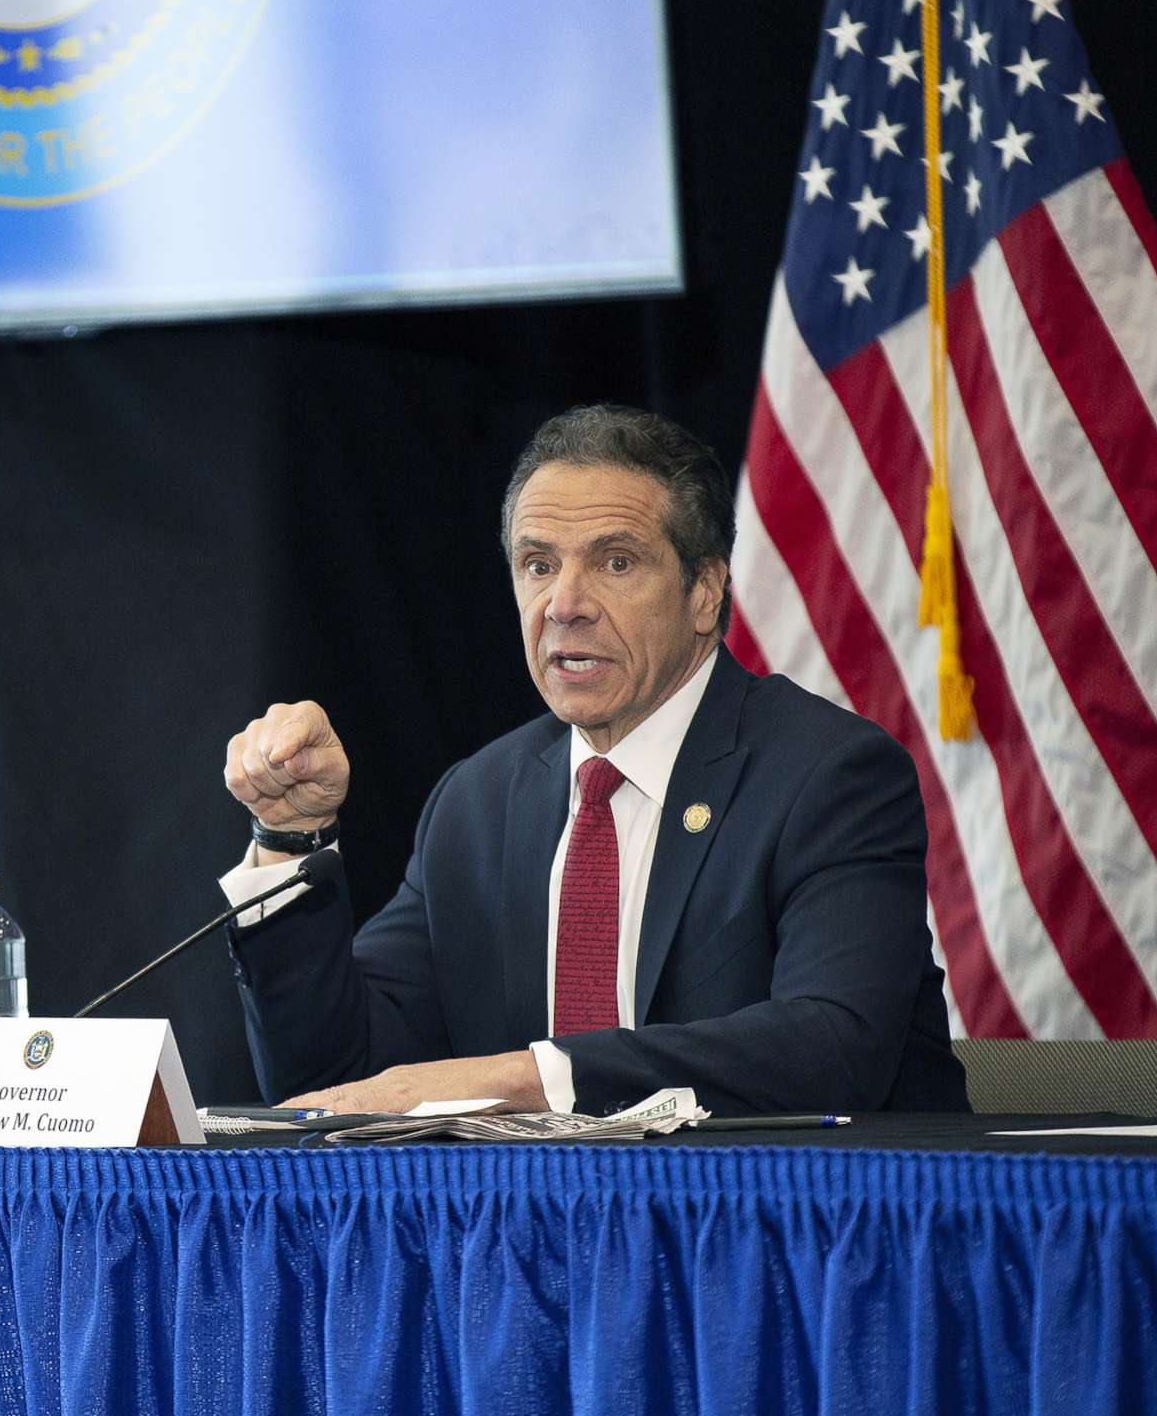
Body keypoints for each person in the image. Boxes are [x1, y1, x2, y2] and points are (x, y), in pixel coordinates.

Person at [219, 404, 966, 1116]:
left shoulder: (828, 776)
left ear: (705, 591)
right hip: (544, 1238)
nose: (564, 604)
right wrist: (291, 840)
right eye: (537, 565)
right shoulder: (478, 802)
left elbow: (833, 1049)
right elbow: (332, 1083)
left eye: (614, 562)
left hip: (804, 1230)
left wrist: (532, 1076)